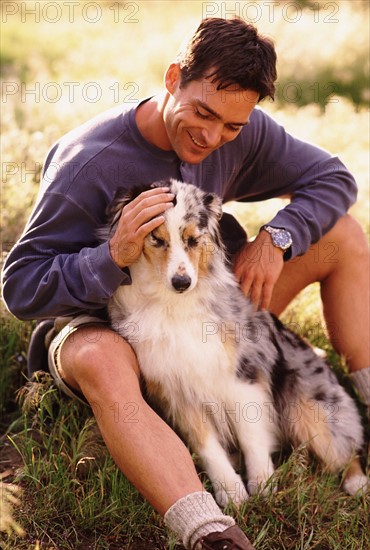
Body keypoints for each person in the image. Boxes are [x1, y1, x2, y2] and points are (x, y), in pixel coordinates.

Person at [2, 17, 369, 550]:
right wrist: (110, 256)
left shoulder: (239, 131)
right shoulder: (89, 161)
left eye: (231, 128)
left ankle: (363, 397)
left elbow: (335, 178)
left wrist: (278, 237)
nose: (213, 137)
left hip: (197, 307)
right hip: (109, 324)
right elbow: (20, 288)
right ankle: (210, 529)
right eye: (203, 113)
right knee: (101, 357)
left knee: (344, 234)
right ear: (173, 77)